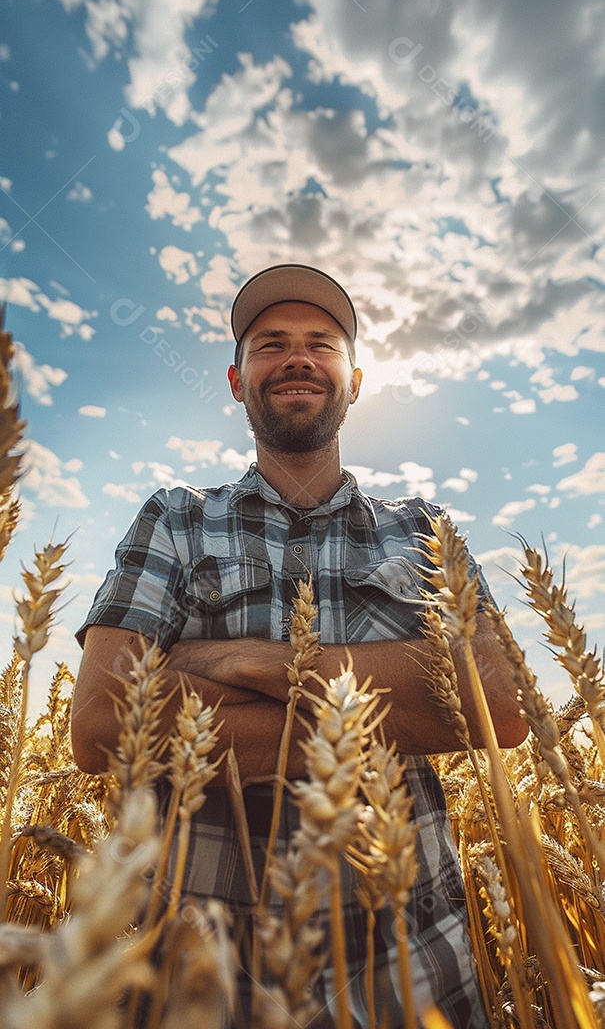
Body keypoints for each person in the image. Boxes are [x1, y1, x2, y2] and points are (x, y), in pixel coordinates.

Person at [71, 263, 526, 1028]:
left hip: (414, 963)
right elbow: (102, 725)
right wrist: (404, 701)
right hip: (207, 972)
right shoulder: (175, 520)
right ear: (236, 377)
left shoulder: (424, 531)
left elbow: (502, 707)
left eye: (321, 343)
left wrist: (245, 664)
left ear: (354, 380)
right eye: (270, 343)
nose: (297, 357)